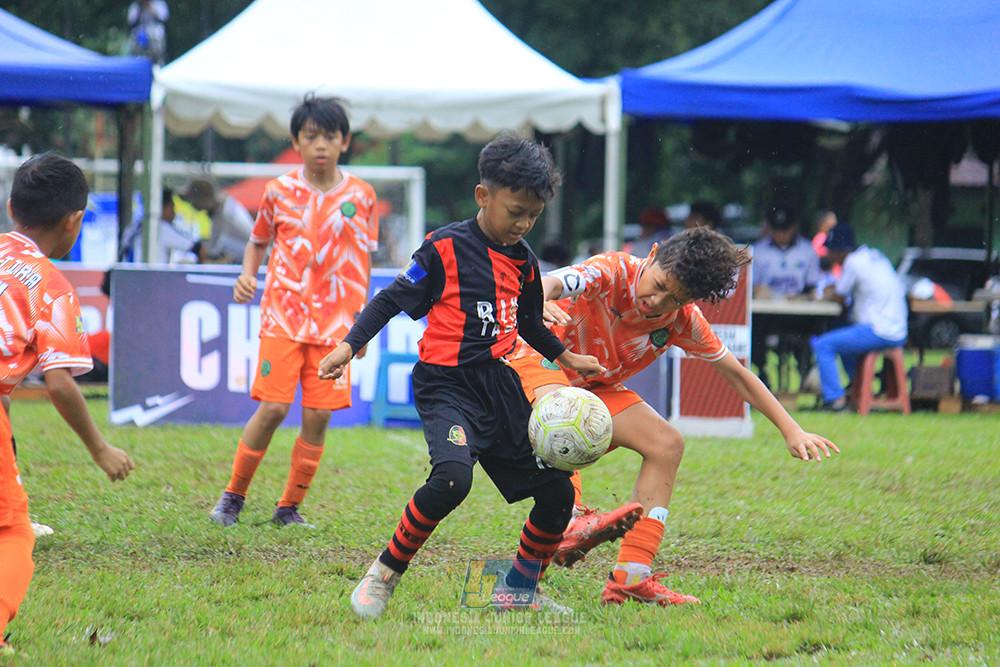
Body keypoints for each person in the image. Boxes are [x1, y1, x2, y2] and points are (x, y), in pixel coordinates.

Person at [317, 134, 605, 619]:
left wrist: (568, 358)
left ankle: (518, 589)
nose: (523, 223)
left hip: (499, 384)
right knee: (452, 481)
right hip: (445, 385)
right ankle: (383, 574)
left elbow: (531, 321)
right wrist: (349, 343)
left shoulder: (524, 261)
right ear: (483, 195)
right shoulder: (443, 247)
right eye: (515, 210)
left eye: (533, 215)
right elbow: (391, 298)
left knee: (557, 491)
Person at [506, 226, 838, 607]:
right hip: (535, 366)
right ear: (652, 255)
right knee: (569, 415)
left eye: (675, 298)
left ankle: (630, 577)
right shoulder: (612, 270)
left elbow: (738, 375)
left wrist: (791, 429)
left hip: (591, 390)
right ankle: (569, 523)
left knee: (667, 443)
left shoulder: (681, 320)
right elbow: (551, 282)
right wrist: (541, 299)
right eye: (660, 284)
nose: (658, 301)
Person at [208, 96, 379, 529]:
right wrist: (247, 274)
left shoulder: (362, 196)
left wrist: (361, 329)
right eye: (311, 136)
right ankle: (233, 497)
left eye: (330, 136)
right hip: (283, 318)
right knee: (273, 409)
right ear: (295, 141)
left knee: (319, 416)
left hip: (336, 327)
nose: (321, 144)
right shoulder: (277, 192)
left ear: (345, 141)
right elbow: (257, 241)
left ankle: (288, 508)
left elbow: (363, 262)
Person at [0, 153, 135, 655]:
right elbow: (59, 383)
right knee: (14, 533)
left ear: (12, 206)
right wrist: (99, 449)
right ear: (75, 220)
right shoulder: (53, 288)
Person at [810, 223, 909, 412]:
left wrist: (824, 293)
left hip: (878, 330)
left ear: (841, 250)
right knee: (844, 335)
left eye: (832, 251)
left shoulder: (852, 262)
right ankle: (855, 387)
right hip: (896, 328)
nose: (830, 256)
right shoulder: (875, 256)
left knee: (824, 344)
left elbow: (839, 297)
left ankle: (834, 400)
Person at [751, 205, 821, 389]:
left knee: (811, 330)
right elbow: (751, 287)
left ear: (794, 227)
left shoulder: (807, 250)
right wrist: (758, 291)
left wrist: (803, 297)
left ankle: (807, 372)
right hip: (767, 313)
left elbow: (812, 287)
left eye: (785, 230)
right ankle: (762, 374)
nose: (781, 234)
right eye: (776, 230)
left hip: (797, 313)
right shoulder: (758, 251)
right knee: (754, 330)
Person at [178, 177, 253, 264]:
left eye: (192, 201)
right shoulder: (224, 207)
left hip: (248, 262)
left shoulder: (224, 214)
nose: (192, 205)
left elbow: (211, 252)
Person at [126, 0, 169, 65]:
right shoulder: (136, 6)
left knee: (158, 50)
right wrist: (141, 8)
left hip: (156, 35)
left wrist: (150, 8)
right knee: (134, 47)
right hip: (140, 36)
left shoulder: (159, 4)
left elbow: (163, 21)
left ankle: (158, 63)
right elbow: (131, 24)